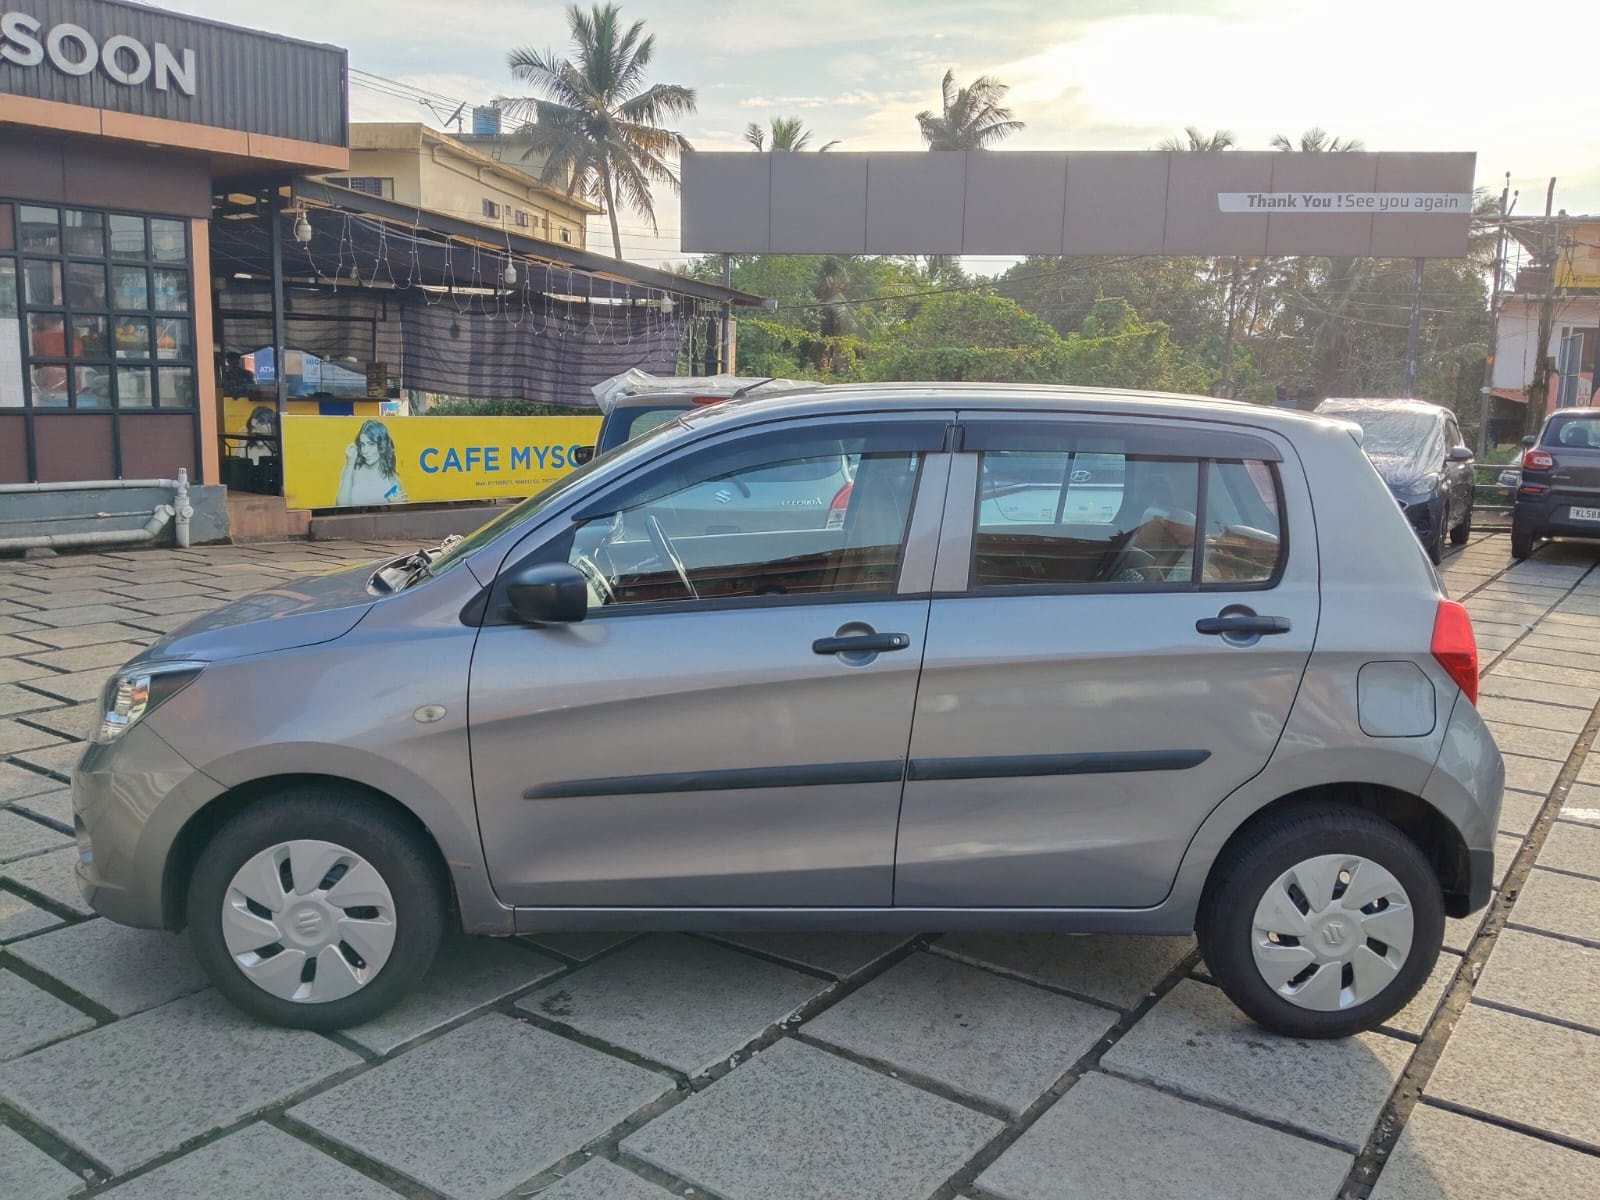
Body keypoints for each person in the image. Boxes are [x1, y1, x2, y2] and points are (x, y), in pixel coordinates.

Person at [336, 419, 408, 506]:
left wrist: (394, 505)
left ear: (382, 446)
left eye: (371, 444)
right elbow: (341, 506)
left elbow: (404, 511)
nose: (364, 451)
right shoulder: (351, 469)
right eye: (362, 444)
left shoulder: (392, 479)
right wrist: (349, 465)